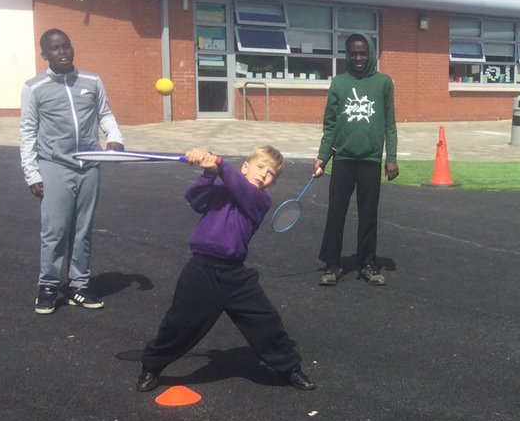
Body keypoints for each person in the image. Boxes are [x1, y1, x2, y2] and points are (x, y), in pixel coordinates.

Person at [136, 146, 315, 393]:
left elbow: (239, 187)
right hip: (201, 270)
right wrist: (209, 172)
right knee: (178, 324)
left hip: (235, 276)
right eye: (260, 167)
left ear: (272, 183)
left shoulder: (260, 200)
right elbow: (195, 199)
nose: (264, 174)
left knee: (265, 321)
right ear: (245, 167)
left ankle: (290, 368)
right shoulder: (221, 187)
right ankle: (151, 366)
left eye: (271, 173)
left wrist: (219, 163)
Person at [20, 29, 126, 314]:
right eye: (55, 48)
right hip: (55, 165)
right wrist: (33, 173)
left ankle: (78, 286)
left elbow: (104, 113)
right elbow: (28, 132)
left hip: (89, 164)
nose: (63, 51)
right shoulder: (34, 87)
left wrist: (114, 136)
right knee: (54, 230)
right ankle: (49, 286)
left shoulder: (91, 81)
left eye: (66, 45)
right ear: (45, 55)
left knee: (83, 230)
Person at [313, 33, 399, 286]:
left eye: (363, 53)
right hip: (343, 159)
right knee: (336, 213)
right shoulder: (339, 83)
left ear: (370, 53)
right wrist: (322, 157)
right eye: (353, 53)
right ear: (347, 55)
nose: (358, 58)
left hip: (370, 160)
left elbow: (389, 124)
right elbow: (330, 125)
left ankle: (367, 264)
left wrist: (390, 158)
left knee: (368, 215)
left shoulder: (383, 83)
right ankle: (332, 265)